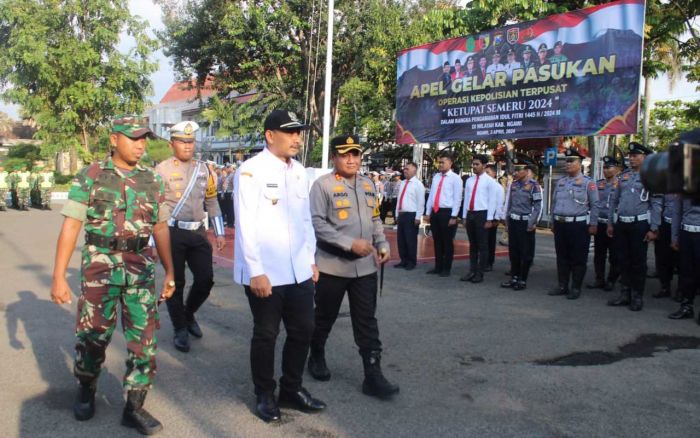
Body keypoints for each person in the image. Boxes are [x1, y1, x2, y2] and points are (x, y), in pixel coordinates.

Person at [50, 115, 175, 435]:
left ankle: (134, 406)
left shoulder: (153, 180)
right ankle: (86, 387)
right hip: (99, 270)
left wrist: (171, 270)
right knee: (92, 337)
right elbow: (72, 225)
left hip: (140, 270)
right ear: (113, 139)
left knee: (144, 341)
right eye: (133, 138)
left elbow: (160, 227)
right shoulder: (90, 176)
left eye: (144, 138)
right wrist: (58, 276)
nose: (141, 144)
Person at [233, 109, 325, 423]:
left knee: (304, 330)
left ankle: (291, 389)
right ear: (270, 135)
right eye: (291, 132)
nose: (297, 138)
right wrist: (255, 270)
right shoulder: (251, 170)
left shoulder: (299, 171)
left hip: (298, 269)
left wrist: (311, 260)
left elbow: (304, 220)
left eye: (299, 132)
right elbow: (246, 223)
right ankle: (264, 393)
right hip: (266, 272)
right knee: (266, 334)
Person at [307, 134, 399, 399]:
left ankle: (373, 375)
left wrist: (382, 243)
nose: (351, 159)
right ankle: (316, 355)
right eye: (344, 154)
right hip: (332, 266)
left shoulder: (369, 184)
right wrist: (349, 244)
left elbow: (375, 219)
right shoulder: (322, 186)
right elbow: (317, 224)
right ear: (334, 157)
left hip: (365, 268)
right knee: (324, 317)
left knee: (367, 322)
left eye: (355, 154)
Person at [155, 121, 226, 353]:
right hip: (172, 233)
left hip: (197, 232)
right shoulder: (162, 170)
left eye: (191, 141)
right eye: (182, 141)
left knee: (205, 279)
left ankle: (188, 313)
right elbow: (154, 208)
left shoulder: (204, 169)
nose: (187, 146)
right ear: (171, 143)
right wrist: (151, 241)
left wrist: (219, 232)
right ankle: (180, 328)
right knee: (176, 282)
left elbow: (212, 201)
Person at [606, 142, 661, 311]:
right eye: (630, 156)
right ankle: (624, 294)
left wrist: (654, 228)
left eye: (635, 155)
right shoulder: (623, 176)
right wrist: (610, 223)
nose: (631, 158)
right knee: (623, 260)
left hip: (640, 224)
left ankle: (637, 296)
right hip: (622, 223)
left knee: (638, 262)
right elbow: (614, 201)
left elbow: (656, 203)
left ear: (645, 157)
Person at [548, 148, 599, 300]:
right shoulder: (561, 182)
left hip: (578, 225)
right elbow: (555, 203)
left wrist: (594, 224)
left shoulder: (588, 183)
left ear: (580, 163)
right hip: (561, 224)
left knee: (578, 257)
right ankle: (562, 285)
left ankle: (575, 287)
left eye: (571, 161)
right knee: (562, 256)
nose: (568, 163)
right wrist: (552, 221)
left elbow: (595, 205)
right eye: (566, 161)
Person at [501, 158, 542, 290]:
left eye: (519, 169)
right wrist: (507, 220)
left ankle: (522, 279)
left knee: (526, 253)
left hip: (525, 222)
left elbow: (537, 206)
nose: (516, 172)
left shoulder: (534, 186)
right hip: (513, 221)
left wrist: (532, 223)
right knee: (514, 252)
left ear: (526, 171)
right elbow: (510, 204)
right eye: (515, 169)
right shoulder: (513, 185)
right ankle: (514, 277)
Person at [460, 155, 499, 283]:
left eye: (477, 164)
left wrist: (489, 219)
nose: (474, 166)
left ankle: (480, 273)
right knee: (473, 245)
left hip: (482, 214)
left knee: (482, 245)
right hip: (470, 213)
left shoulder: (490, 182)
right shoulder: (470, 180)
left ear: (484, 165)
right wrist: (464, 216)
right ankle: (472, 270)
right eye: (473, 164)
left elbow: (492, 201)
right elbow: (466, 199)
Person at [424, 152, 463, 277]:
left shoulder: (456, 178)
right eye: (439, 162)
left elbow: (458, 199)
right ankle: (438, 266)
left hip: (447, 212)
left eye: (442, 162)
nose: (440, 164)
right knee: (437, 241)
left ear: (450, 163)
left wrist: (453, 216)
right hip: (436, 212)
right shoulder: (436, 177)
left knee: (447, 242)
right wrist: (428, 212)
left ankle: (447, 268)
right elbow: (432, 195)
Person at [586, 156, 621, 291]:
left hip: (615, 225)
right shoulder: (598, 184)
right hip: (600, 223)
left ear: (617, 169)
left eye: (609, 167)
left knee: (615, 255)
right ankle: (599, 279)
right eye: (605, 167)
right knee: (599, 254)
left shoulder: (621, 184)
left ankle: (611, 280)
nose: (606, 170)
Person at [667, 194, 700, 321]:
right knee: (686, 272)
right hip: (686, 233)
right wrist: (674, 237)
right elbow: (677, 212)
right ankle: (687, 306)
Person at [394, 162, 426, 270]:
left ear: (414, 170)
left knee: (410, 239)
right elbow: (399, 199)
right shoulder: (402, 183)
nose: (405, 170)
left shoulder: (418, 184)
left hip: (411, 215)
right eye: (404, 169)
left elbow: (421, 202)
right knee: (401, 239)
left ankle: (411, 261)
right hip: (402, 214)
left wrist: (418, 217)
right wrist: (396, 213)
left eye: (407, 169)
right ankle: (403, 260)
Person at [653, 194, 680, 299]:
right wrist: (656, 225)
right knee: (662, 257)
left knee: (681, 260)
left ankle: (682, 290)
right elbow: (658, 204)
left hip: (681, 225)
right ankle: (665, 287)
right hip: (665, 224)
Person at [484, 163, 504, 272]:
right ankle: (482, 260)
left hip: (492, 218)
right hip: (482, 216)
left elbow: (499, 204)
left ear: (494, 174)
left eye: (488, 173)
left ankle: (489, 262)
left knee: (490, 241)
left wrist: (496, 218)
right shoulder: (483, 185)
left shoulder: (498, 187)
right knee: (482, 241)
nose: (486, 175)